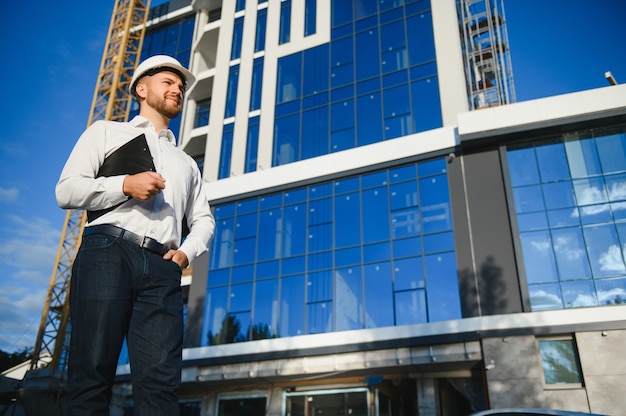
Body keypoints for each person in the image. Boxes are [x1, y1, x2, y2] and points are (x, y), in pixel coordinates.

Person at [56, 55, 215, 416]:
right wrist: (124, 184)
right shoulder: (106, 132)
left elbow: (203, 219)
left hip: (163, 267)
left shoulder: (186, 162)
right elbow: (66, 191)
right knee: (91, 371)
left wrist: (186, 252)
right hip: (106, 252)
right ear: (141, 89)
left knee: (160, 384)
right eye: (168, 83)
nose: (177, 90)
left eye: (180, 87)